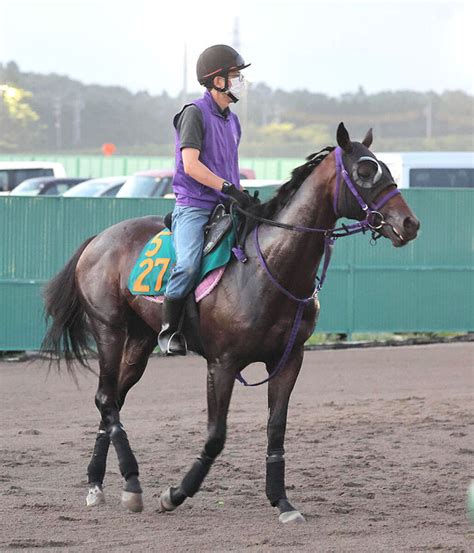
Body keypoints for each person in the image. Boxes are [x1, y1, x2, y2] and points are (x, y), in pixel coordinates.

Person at [158, 44, 254, 356]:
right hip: (194, 206)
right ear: (216, 80)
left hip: (227, 206)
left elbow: (229, 165)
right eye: (235, 75)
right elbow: (192, 166)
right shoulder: (193, 114)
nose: (241, 81)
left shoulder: (233, 120)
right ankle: (169, 329)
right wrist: (228, 188)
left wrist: (239, 195)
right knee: (187, 265)